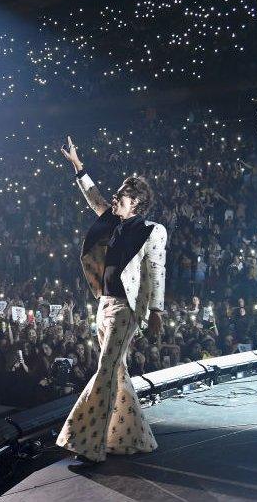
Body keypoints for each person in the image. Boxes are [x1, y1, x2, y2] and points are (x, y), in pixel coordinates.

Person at [55, 135, 162, 464]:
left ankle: (84, 441)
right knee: (116, 370)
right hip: (103, 304)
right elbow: (94, 196)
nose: (115, 198)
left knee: (105, 369)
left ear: (137, 204)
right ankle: (134, 437)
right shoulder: (112, 219)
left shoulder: (152, 231)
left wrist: (156, 311)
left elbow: (156, 272)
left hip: (126, 310)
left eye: (123, 196)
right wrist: (78, 166)